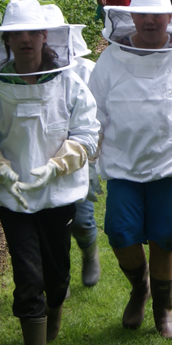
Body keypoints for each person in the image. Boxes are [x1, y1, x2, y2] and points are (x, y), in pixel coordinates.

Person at [0, 0, 100, 345]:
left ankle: (54, 309)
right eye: (17, 34)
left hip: (58, 194)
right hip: (15, 198)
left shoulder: (70, 83)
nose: (25, 39)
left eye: (32, 32)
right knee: (27, 276)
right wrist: (2, 169)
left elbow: (88, 134)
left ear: (45, 36)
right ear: (6, 41)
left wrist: (57, 166)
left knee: (57, 275)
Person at [89, 0, 172, 340]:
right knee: (119, 233)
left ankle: (164, 313)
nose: (150, 21)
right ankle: (140, 287)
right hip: (122, 166)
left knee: (166, 237)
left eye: (157, 15)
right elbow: (93, 113)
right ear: (132, 17)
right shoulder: (111, 59)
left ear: (170, 18)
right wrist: (87, 163)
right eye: (143, 14)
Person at [68, 25, 103, 288]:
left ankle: (89, 251)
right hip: (39, 159)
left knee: (81, 220)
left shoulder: (86, 70)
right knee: (49, 226)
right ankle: (57, 278)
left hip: (79, 156)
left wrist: (91, 159)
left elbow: (98, 116)